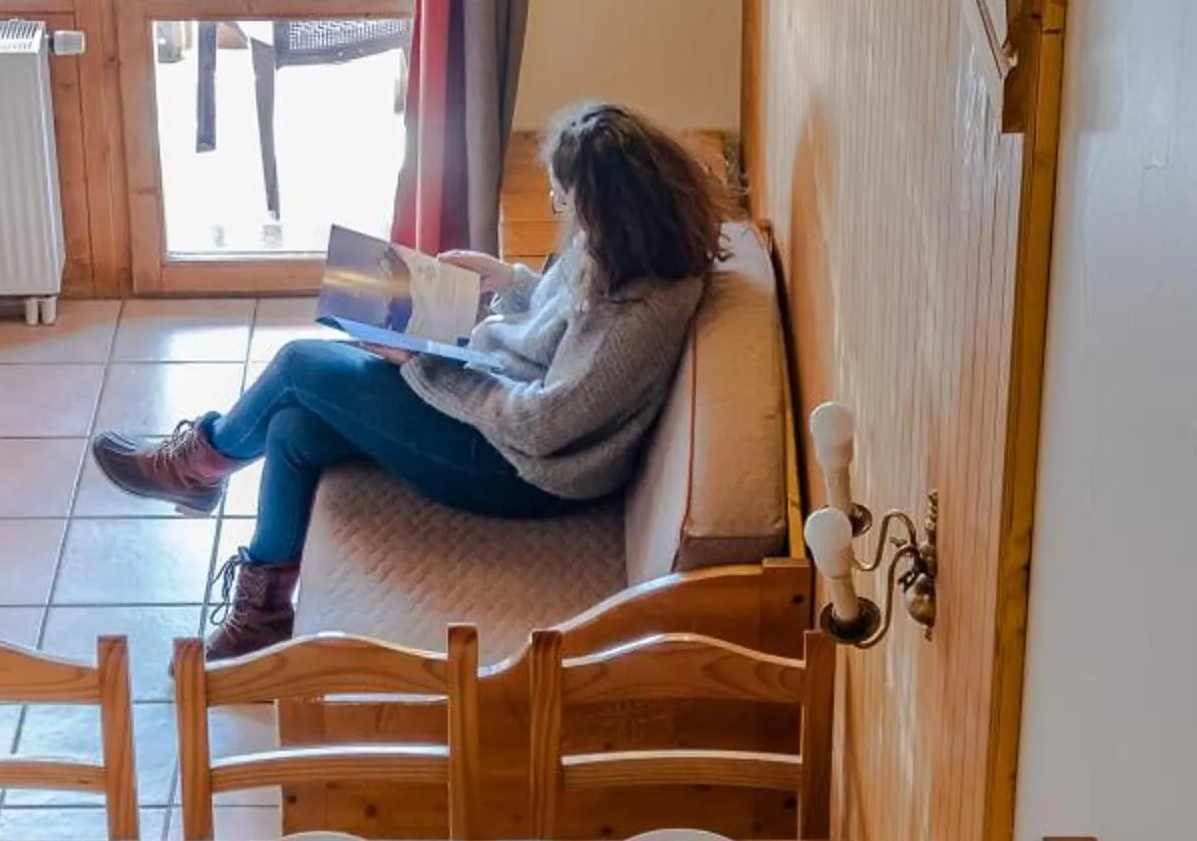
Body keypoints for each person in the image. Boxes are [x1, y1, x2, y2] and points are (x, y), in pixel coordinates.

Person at [92, 102, 734, 659]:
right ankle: (261, 612)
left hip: (521, 471)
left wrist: (422, 365)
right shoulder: (627, 249)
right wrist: (508, 281)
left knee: (299, 365)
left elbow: (543, 424)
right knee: (293, 426)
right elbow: (563, 323)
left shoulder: (638, 314)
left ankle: (199, 464)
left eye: (564, 197)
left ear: (607, 205)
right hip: (502, 408)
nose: (558, 207)